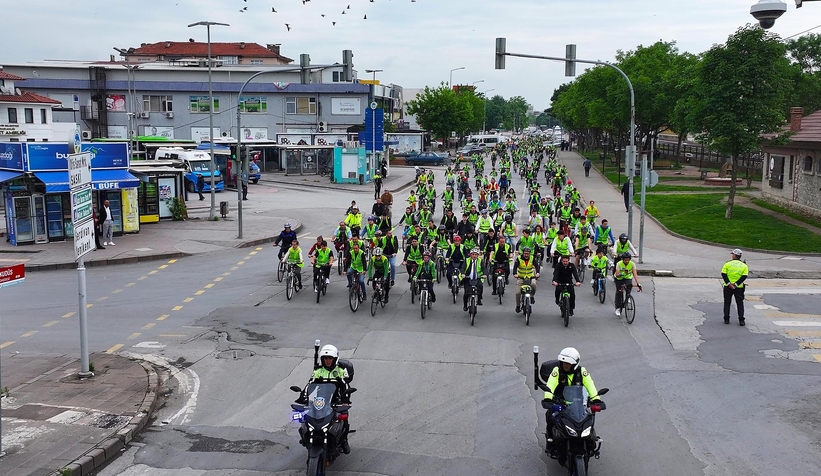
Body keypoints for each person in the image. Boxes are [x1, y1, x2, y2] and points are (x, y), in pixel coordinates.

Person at [542, 347, 603, 466]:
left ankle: (591, 441)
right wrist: (548, 398)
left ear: (575, 364)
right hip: (560, 403)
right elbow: (551, 384)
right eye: (564, 363)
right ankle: (550, 441)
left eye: (568, 363)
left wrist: (596, 399)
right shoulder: (557, 371)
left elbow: (590, 385)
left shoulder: (582, 372)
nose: (565, 365)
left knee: (589, 418)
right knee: (550, 416)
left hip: (579, 404)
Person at [298, 344, 352, 454]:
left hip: (336, 400)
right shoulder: (318, 371)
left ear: (335, 359)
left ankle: (344, 440)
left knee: (344, 418)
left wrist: (345, 398)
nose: (327, 361)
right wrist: (303, 396)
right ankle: (307, 436)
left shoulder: (341, 371)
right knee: (305, 417)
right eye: (325, 358)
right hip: (319, 400)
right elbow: (310, 384)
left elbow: (345, 386)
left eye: (330, 358)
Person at [722, 248, 749, 326]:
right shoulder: (744, 266)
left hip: (727, 287)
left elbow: (723, 274)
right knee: (739, 303)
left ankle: (726, 319)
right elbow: (744, 276)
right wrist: (736, 284)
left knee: (727, 302)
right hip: (739, 287)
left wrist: (729, 283)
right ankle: (741, 320)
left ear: (734, 255)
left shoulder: (727, 264)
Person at [513, 247, 540, 313]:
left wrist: (537, 273)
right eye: (525, 253)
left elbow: (537, 266)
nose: (526, 255)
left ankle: (532, 296)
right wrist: (515, 274)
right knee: (518, 293)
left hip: (530, 276)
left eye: (527, 254)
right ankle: (518, 305)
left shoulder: (532, 258)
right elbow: (515, 267)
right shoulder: (519, 258)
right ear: (523, 253)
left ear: (529, 254)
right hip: (521, 277)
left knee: (533, 284)